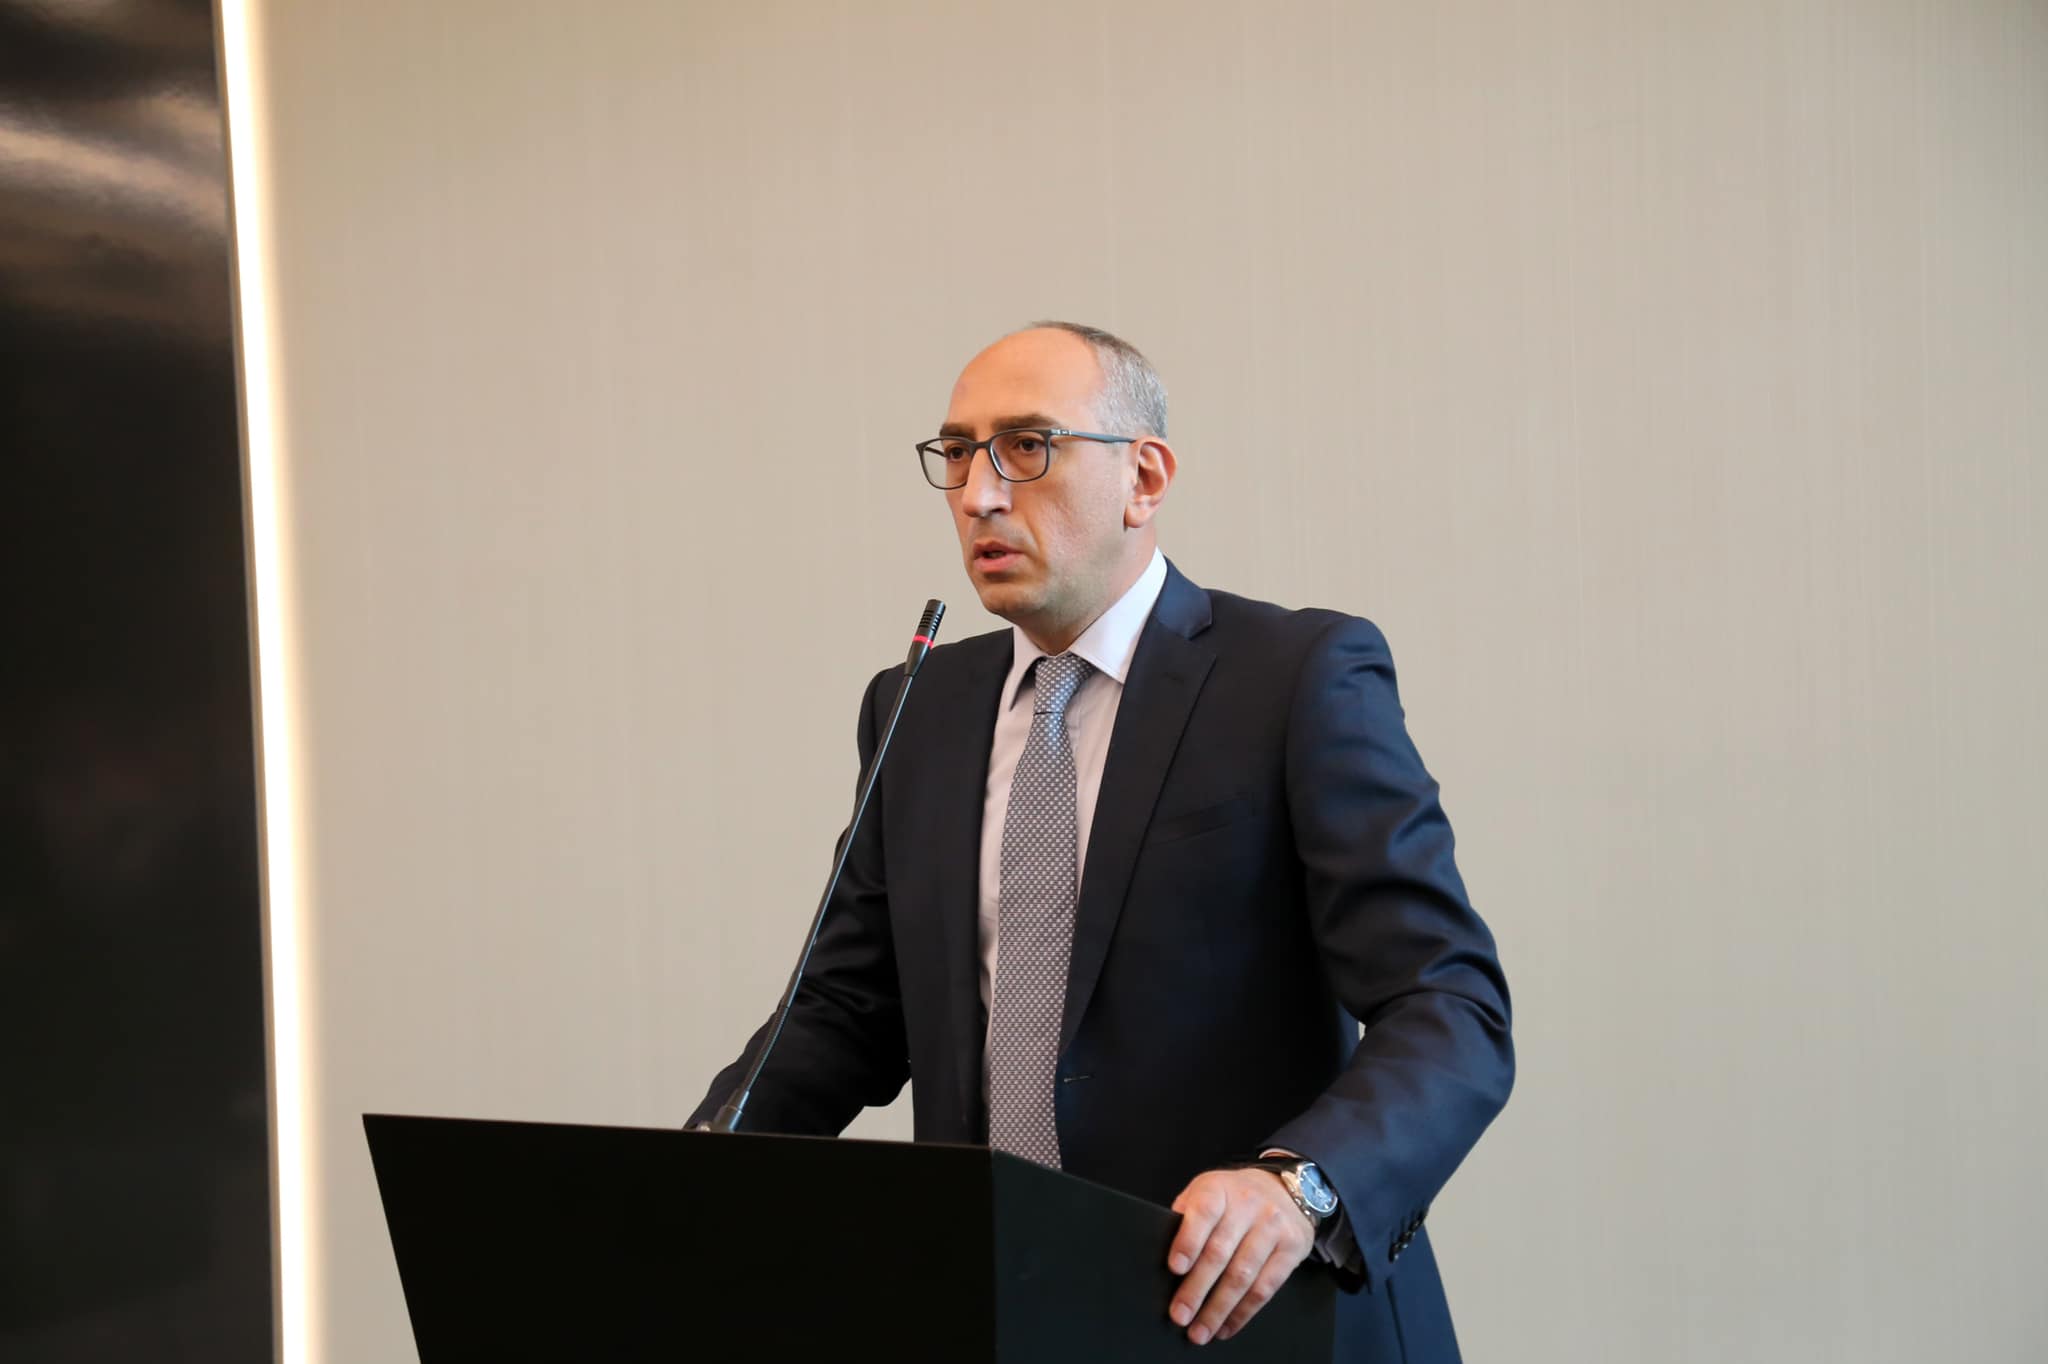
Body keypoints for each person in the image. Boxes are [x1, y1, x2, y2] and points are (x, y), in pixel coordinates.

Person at [691, 322, 1513, 1360]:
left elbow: (1448, 1005)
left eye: (1026, 446)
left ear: (1143, 477)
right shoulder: (916, 706)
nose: (979, 495)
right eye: (958, 453)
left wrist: (1299, 1186)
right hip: (1004, 1310)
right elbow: (847, 1007)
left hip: (1249, 1314)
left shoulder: (1294, 678)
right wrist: (700, 1168)